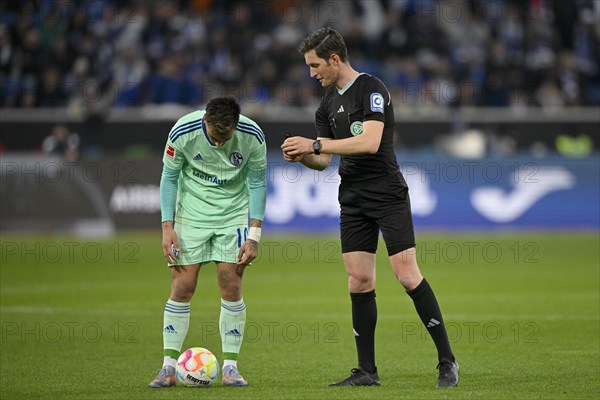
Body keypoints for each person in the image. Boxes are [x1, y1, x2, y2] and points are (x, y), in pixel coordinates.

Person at [281, 28, 459, 388]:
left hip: (386, 192)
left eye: (315, 65)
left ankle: (447, 362)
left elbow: (371, 142)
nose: (311, 73)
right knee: (359, 279)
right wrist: (302, 156)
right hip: (353, 197)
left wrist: (314, 144)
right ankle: (367, 372)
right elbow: (324, 161)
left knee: (406, 273)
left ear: (334, 59)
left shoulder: (371, 88)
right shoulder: (326, 103)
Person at [149, 96, 267, 388]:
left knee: (231, 286)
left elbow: (256, 183)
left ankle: (230, 368)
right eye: (214, 136)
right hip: (191, 219)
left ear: (236, 127)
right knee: (182, 287)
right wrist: (167, 227)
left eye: (224, 138)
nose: (217, 143)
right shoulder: (183, 131)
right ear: (205, 122)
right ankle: (167, 368)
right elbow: (169, 176)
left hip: (232, 219)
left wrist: (253, 236)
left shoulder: (252, 137)